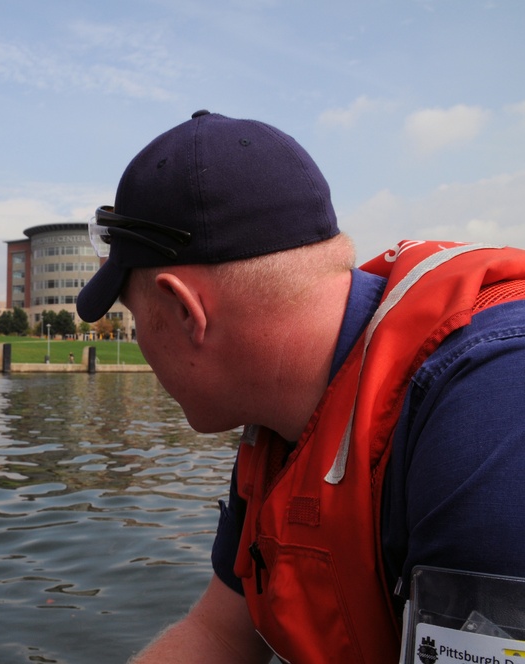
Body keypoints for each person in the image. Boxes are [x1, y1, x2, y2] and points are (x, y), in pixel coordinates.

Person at [76, 110, 525, 663]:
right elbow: (218, 636)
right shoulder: (279, 426)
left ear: (185, 310)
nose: (139, 340)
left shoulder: (494, 410)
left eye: (132, 315)